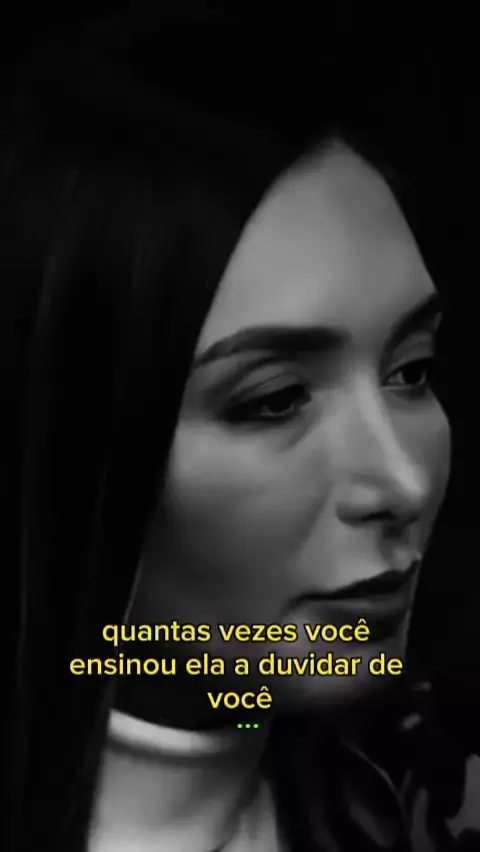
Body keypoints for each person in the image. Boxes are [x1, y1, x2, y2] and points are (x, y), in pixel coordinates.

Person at [3, 9, 461, 852]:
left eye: (412, 370)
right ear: (63, 447)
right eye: (276, 399)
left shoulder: (424, 789)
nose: (404, 481)